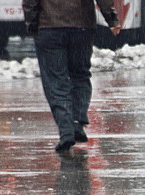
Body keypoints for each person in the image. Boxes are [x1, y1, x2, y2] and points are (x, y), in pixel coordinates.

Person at [23, 0, 122, 154]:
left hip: (49, 27)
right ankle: (77, 121)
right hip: (82, 27)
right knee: (80, 75)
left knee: (56, 81)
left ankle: (66, 131)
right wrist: (112, 20)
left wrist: (32, 22)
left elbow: (30, 2)